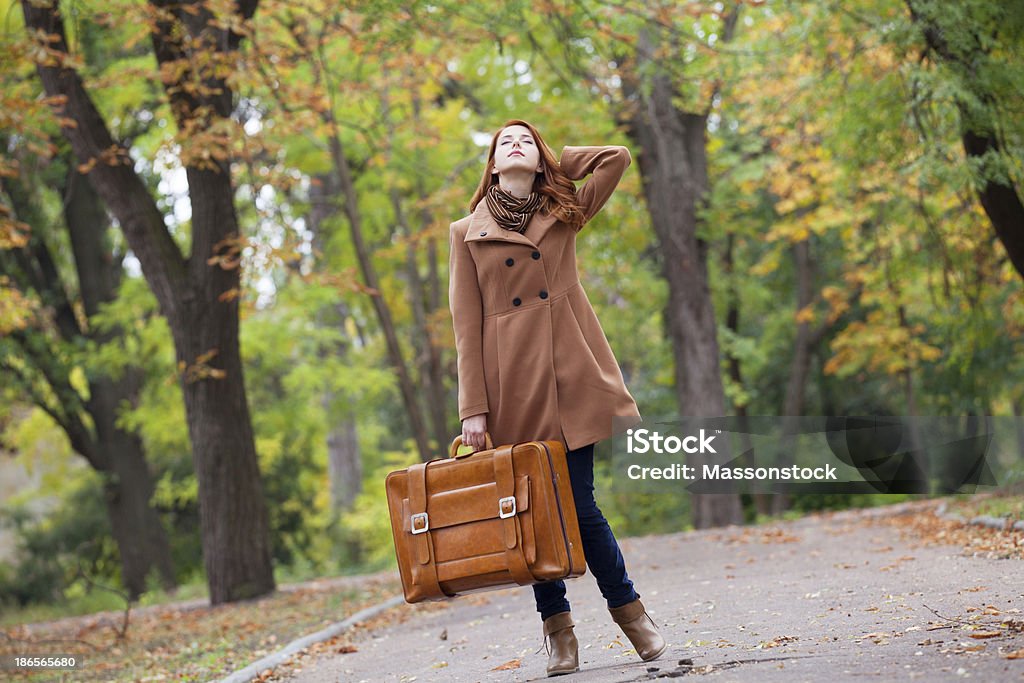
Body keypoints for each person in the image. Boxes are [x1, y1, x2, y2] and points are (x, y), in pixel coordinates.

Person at [448, 118, 667, 676]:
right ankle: (559, 632)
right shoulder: (465, 233)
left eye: (527, 140)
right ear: (492, 165)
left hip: (571, 372)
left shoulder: (564, 210)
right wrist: (472, 407)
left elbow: (615, 157)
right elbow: (464, 325)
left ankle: (631, 614)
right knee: (535, 511)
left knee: (580, 502)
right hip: (511, 384)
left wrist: (558, 161)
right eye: (505, 142)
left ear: (539, 158)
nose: (516, 144)